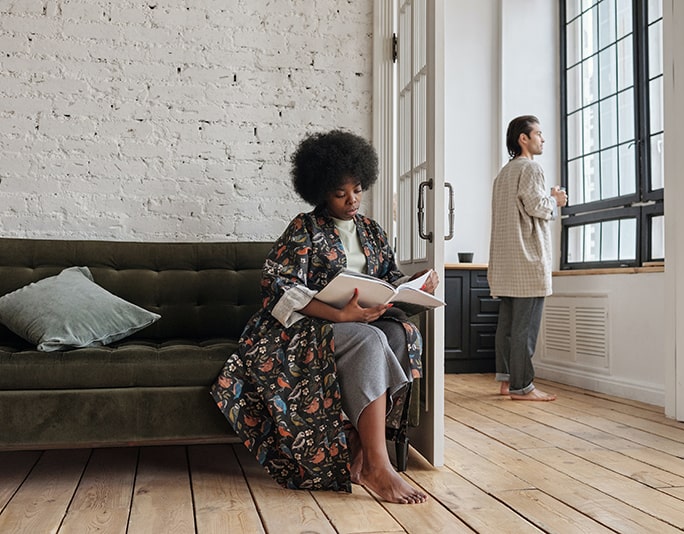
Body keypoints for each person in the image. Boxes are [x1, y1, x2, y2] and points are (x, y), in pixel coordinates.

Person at [211, 129, 437, 505]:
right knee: (372, 339)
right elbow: (276, 286)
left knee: (401, 335)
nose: (352, 200)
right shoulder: (304, 229)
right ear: (320, 191)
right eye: (340, 193)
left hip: (359, 321)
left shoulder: (371, 231)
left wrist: (413, 285)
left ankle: (363, 449)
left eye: (358, 190)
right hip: (304, 328)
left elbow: (387, 277)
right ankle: (379, 468)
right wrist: (338, 313)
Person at [488, 115, 567, 402]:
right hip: (528, 260)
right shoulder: (531, 168)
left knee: (507, 326)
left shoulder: (503, 174)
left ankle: (508, 381)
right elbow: (536, 206)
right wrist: (555, 201)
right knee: (525, 328)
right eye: (539, 134)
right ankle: (523, 387)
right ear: (524, 138)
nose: (542, 139)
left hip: (506, 261)